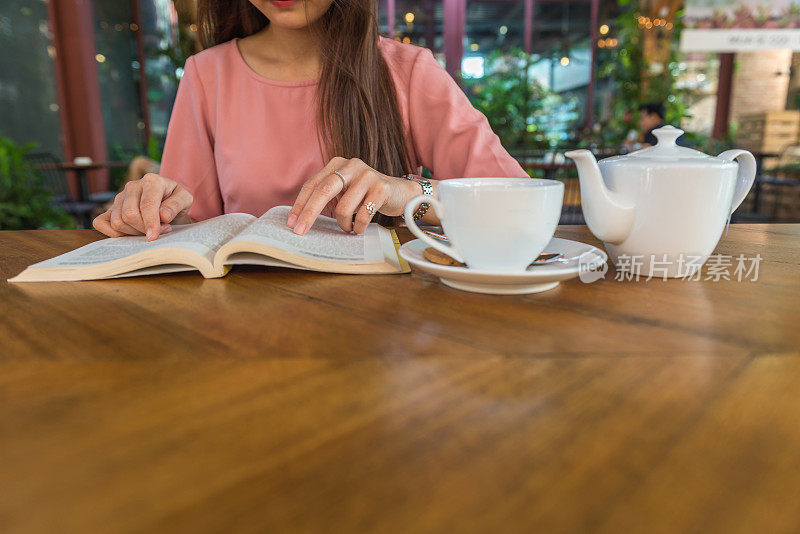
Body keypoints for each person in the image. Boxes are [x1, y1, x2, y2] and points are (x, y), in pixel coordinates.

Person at [92, 0, 527, 241]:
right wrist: (151, 212)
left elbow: (521, 203)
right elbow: (189, 224)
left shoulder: (407, 71)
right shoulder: (207, 75)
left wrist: (411, 192)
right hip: (242, 323)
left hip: (383, 324)